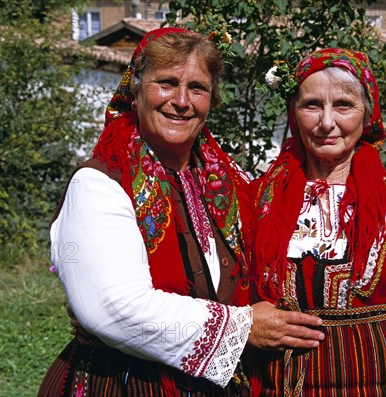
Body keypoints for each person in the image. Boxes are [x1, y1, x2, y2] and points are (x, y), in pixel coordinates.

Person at [38, 28, 324, 397]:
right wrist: (241, 327)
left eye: (198, 88)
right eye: (167, 83)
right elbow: (114, 308)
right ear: (136, 90)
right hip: (123, 383)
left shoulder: (227, 181)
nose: (181, 100)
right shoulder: (98, 184)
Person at [248, 48, 386, 396]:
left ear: (367, 115)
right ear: (293, 112)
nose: (326, 122)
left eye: (343, 105)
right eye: (311, 105)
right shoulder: (260, 198)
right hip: (279, 385)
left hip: (383, 384)